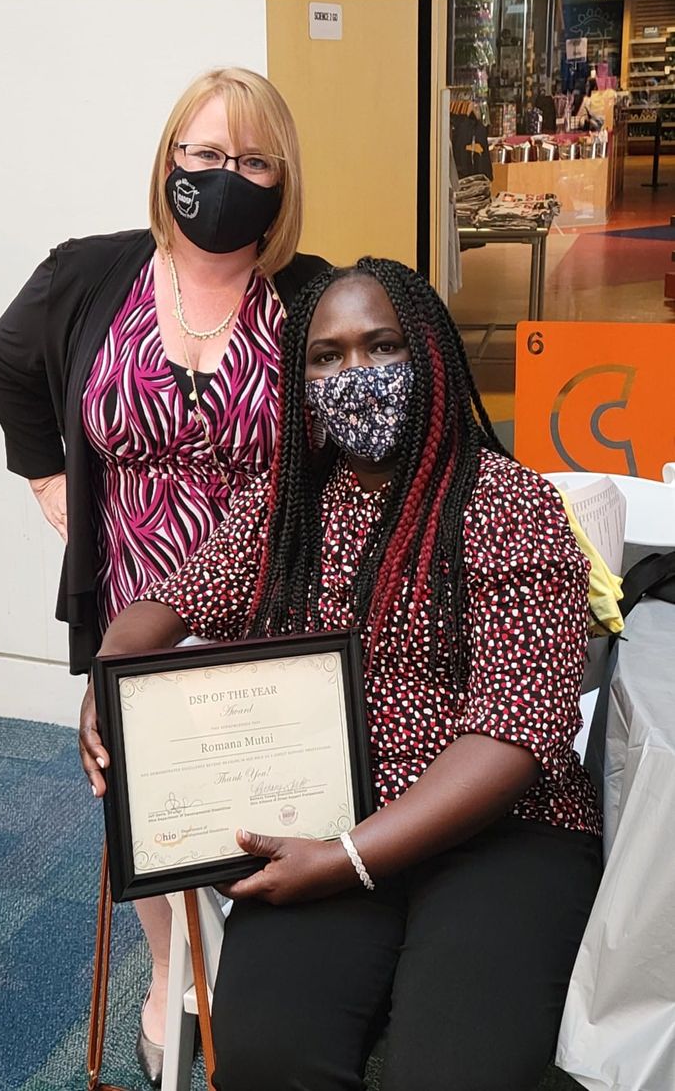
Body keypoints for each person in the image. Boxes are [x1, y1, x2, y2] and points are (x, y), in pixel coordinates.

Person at [79, 258, 603, 1091]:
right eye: (325, 357)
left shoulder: (507, 505)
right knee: (262, 1056)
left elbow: (512, 734)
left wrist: (348, 859)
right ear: (300, 378)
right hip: (326, 807)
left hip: (506, 833)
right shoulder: (289, 504)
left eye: (381, 346)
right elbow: (167, 604)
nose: (353, 375)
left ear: (427, 355)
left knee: (452, 1074)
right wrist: (109, 678)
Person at [0, 67, 327, 1086]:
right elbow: (7, 361)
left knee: (265, 804)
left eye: (254, 160)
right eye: (205, 155)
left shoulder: (308, 298)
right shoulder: (91, 275)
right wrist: (45, 473)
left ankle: (269, 980)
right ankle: (170, 973)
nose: (227, 176)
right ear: (169, 159)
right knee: (143, 801)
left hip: (266, 612)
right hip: (133, 605)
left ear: (283, 177)